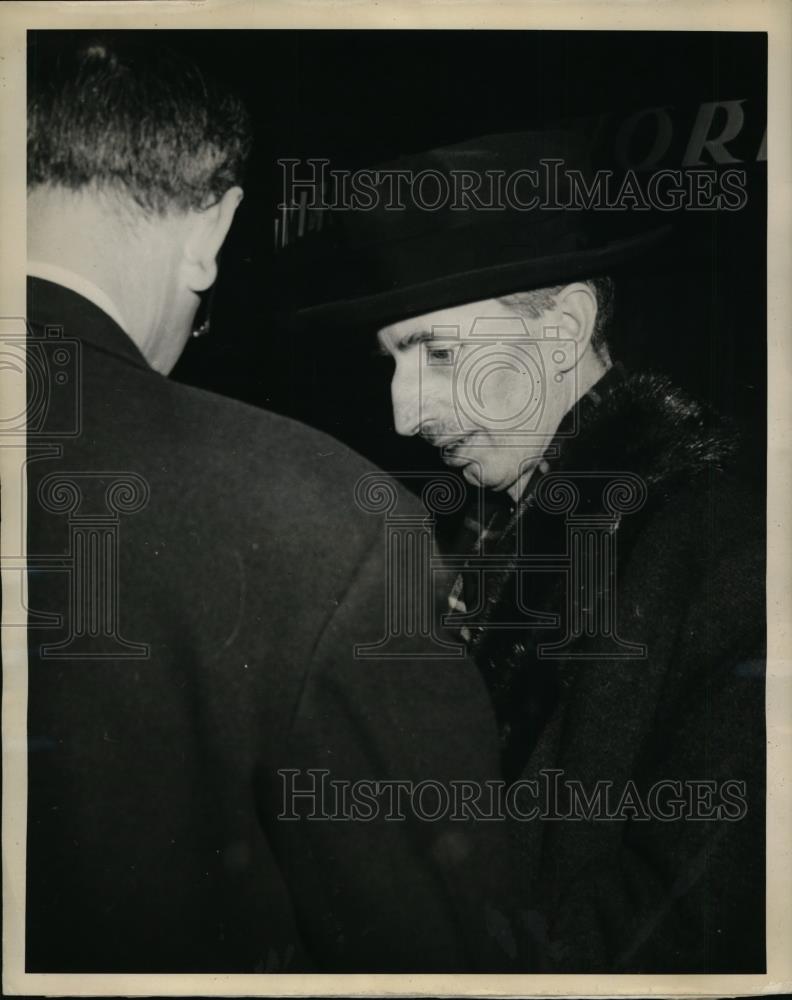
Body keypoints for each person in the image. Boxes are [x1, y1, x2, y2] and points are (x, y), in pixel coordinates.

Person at [23, 36, 523, 973]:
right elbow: (440, 960)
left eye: (442, 354)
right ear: (212, 230)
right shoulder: (322, 516)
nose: (406, 415)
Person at [290, 131, 766, 972]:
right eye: (395, 361)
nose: (406, 413)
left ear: (566, 326)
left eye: (439, 352)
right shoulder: (480, 527)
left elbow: (689, 926)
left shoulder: (726, 544)